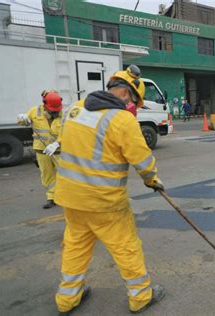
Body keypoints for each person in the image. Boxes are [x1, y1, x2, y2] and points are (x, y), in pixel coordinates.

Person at [53, 65, 165, 314]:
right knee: (126, 246)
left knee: (75, 245)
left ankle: (67, 299)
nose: (134, 106)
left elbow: (66, 144)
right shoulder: (122, 119)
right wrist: (152, 180)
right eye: (135, 100)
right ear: (127, 94)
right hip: (104, 202)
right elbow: (142, 159)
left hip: (70, 197)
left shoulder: (76, 108)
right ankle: (140, 296)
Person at [17, 90, 63, 209]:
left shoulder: (64, 114)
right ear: (45, 105)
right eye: (52, 110)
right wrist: (23, 119)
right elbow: (23, 123)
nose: (55, 112)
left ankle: (66, 197)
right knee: (47, 175)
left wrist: (57, 144)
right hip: (41, 150)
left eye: (56, 110)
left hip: (59, 150)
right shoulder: (34, 111)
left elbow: (68, 132)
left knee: (65, 174)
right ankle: (51, 198)